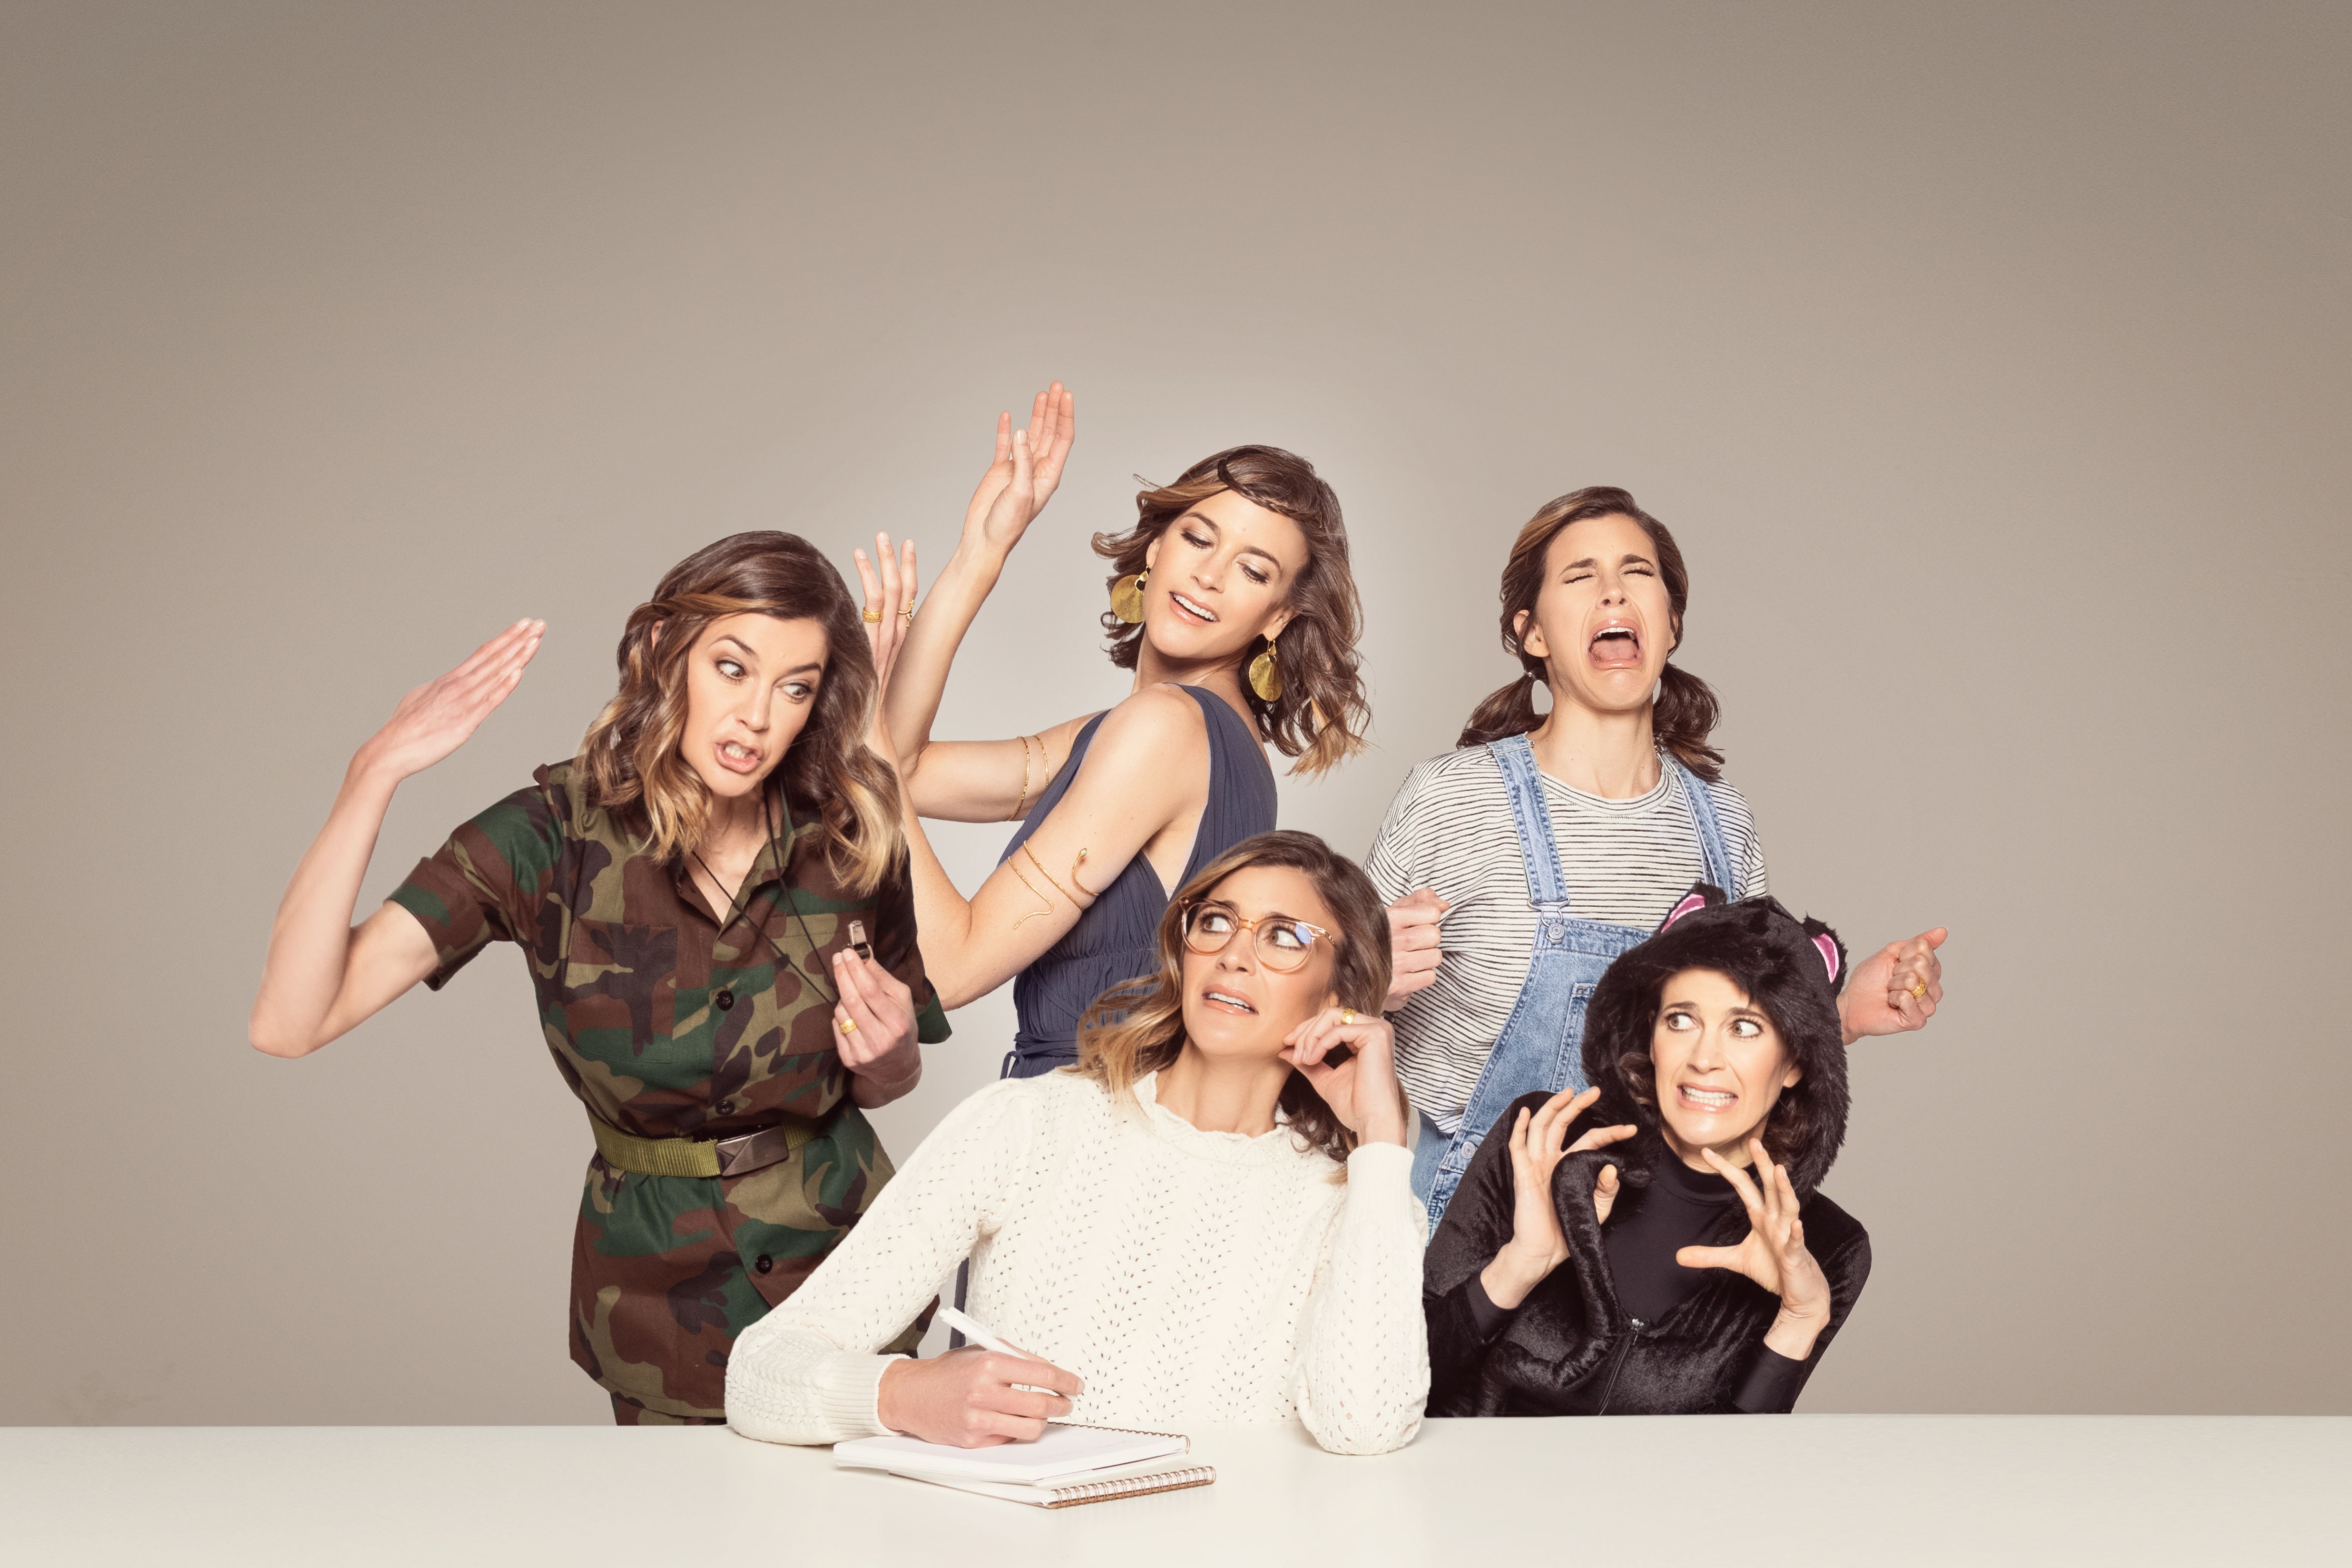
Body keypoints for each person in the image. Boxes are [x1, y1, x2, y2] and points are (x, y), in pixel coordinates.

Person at [247, 532, 949, 1424]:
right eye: (732, 668)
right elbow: (290, 1021)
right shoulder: (550, 839)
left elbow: (886, 1080)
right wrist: (373, 771)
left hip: (851, 1277)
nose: (757, 717)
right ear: (665, 650)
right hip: (662, 1309)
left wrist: (891, 1056)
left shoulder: (849, 836)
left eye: (795, 687)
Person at [724, 832, 1428, 1456]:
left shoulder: (1360, 1203)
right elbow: (760, 1372)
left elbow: (1364, 1426)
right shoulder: (1029, 1125)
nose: (1235, 955)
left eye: (1284, 936)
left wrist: (1381, 1140)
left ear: (1339, 996)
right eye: (1215, 921)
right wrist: (904, 1394)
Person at [1368, 486, 1945, 1226]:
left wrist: (1840, 1016)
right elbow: (1316, 1019)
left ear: (1670, 623)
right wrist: (1368, 980)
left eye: (1637, 572)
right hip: (1461, 1232)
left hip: (1651, 1240)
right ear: (1532, 633)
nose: (1613, 591)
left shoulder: (1723, 826)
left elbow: (1737, 1059)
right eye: (1581, 575)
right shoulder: (1453, 797)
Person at [854, 384, 1371, 1078]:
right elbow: (906, 770)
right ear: (1156, 547)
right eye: (1198, 538)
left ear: (1278, 616)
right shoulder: (1161, 734)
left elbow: (951, 967)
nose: (1209, 576)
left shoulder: (1166, 731)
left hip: (1095, 1120)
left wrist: (863, 716)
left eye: (1252, 571)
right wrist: (983, 551)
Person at [1422, 885, 1869, 1414]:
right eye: (1680, 1019)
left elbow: (1738, 1462)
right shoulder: (1544, 1141)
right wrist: (1521, 1263)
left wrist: (1799, 1321)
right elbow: (1389, 1387)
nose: (1704, 1058)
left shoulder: (1826, 1245)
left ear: (1795, 1061)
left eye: (1745, 1028)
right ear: (1651, 1035)